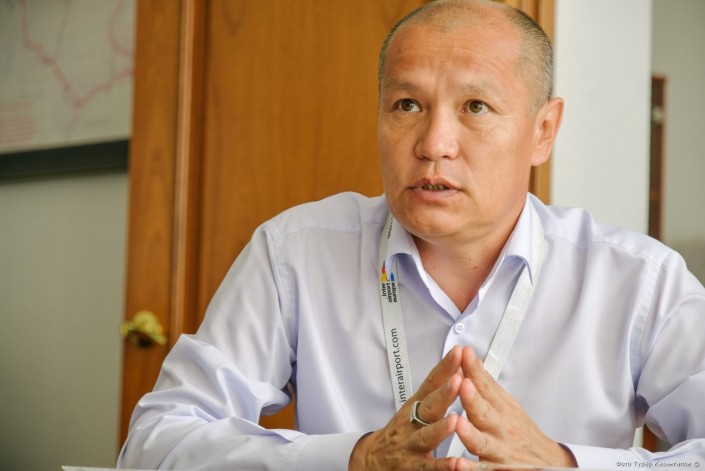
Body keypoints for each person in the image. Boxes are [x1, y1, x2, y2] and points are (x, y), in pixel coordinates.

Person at [118, 0, 705, 469]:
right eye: (406, 105)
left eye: (475, 106)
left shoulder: (638, 281)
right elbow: (153, 444)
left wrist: (566, 465)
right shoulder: (295, 251)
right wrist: (354, 459)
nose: (433, 144)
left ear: (543, 131)